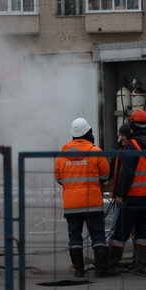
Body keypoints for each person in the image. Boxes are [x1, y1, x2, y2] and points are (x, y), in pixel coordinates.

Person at [107, 109, 146, 276]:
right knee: (143, 230)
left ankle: (112, 265)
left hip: (133, 195)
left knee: (121, 231)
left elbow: (127, 173)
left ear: (131, 124)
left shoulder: (133, 145)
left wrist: (120, 194)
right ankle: (140, 265)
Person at [55, 118, 111, 278]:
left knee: (74, 236)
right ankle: (101, 269)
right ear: (88, 133)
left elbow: (59, 179)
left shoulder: (62, 154)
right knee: (98, 236)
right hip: (92, 202)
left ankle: (79, 269)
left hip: (71, 204)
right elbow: (105, 174)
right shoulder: (95, 151)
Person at [108, 122, 138, 268]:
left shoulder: (131, 149)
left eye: (123, 135)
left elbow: (127, 174)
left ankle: (116, 260)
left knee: (131, 228)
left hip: (130, 194)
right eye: (120, 135)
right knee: (117, 227)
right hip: (123, 194)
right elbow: (113, 165)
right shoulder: (120, 148)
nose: (121, 138)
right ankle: (112, 259)